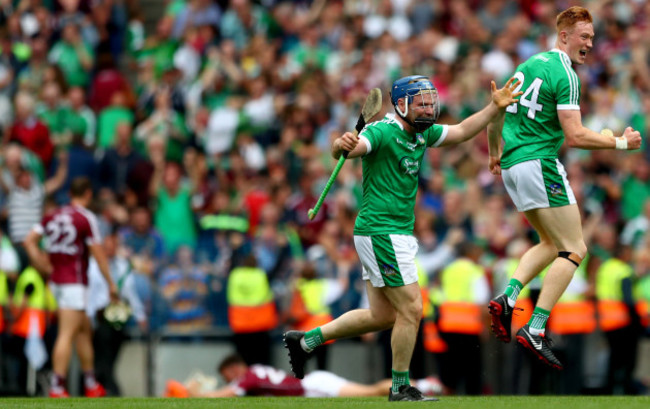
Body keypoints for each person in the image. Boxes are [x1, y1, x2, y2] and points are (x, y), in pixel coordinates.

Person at [283, 74, 522, 401]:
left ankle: (305, 341)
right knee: (412, 308)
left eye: (430, 103)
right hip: (381, 230)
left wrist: (493, 107)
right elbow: (351, 148)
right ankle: (400, 387)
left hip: (392, 233)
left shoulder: (422, 133)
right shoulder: (381, 131)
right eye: (420, 103)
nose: (428, 109)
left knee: (382, 316)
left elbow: (464, 130)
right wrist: (342, 143)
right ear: (401, 105)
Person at [486, 6, 642, 370]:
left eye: (591, 37)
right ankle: (535, 328)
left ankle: (508, 298)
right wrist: (621, 143)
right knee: (575, 249)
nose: (589, 43)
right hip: (539, 163)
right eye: (584, 36)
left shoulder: (527, 66)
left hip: (512, 165)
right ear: (564, 36)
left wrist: (495, 153)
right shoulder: (566, 74)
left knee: (550, 243)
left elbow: (496, 110)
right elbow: (574, 137)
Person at [23, 177, 119, 398]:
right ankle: (57, 386)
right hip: (74, 282)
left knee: (83, 329)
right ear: (87, 194)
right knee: (67, 334)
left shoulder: (52, 215)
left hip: (57, 281)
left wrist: (43, 264)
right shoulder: (86, 218)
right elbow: (98, 253)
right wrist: (111, 283)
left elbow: (29, 241)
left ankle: (90, 382)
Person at [167, 353, 442, 399]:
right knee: (369, 391)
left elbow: (226, 394)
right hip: (312, 383)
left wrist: (196, 394)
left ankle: (425, 383)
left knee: (370, 391)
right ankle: (424, 383)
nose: (227, 378)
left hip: (314, 386)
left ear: (233, 368)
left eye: (227, 373)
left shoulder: (246, 377)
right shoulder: (253, 372)